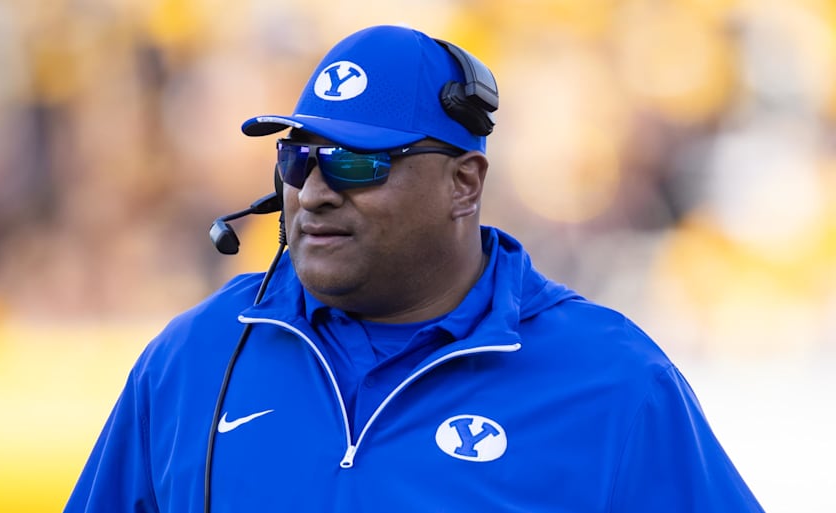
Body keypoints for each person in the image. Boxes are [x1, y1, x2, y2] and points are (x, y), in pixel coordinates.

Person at [64, 25, 766, 513]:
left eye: (356, 162)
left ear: (463, 183)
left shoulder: (611, 380)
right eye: (298, 158)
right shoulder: (194, 356)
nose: (314, 190)